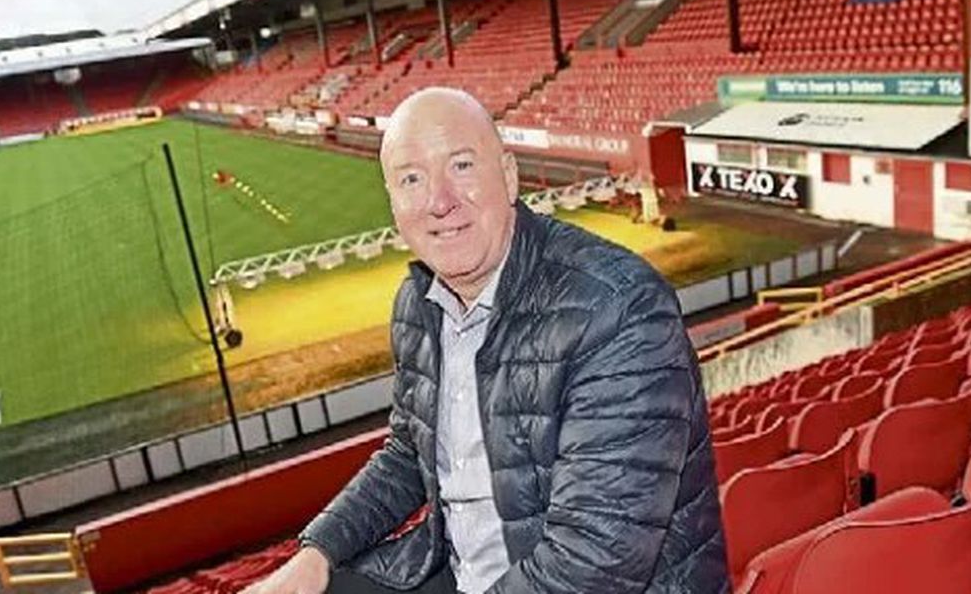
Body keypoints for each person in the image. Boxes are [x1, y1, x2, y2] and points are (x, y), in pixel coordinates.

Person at [244, 87, 728, 594]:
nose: (439, 202)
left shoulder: (618, 306)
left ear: (509, 175)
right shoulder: (418, 302)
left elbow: (595, 561)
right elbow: (409, 454)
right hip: (464, 574)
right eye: (411, 179)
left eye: (461, 166)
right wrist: (317, 552)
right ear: (393, 202)